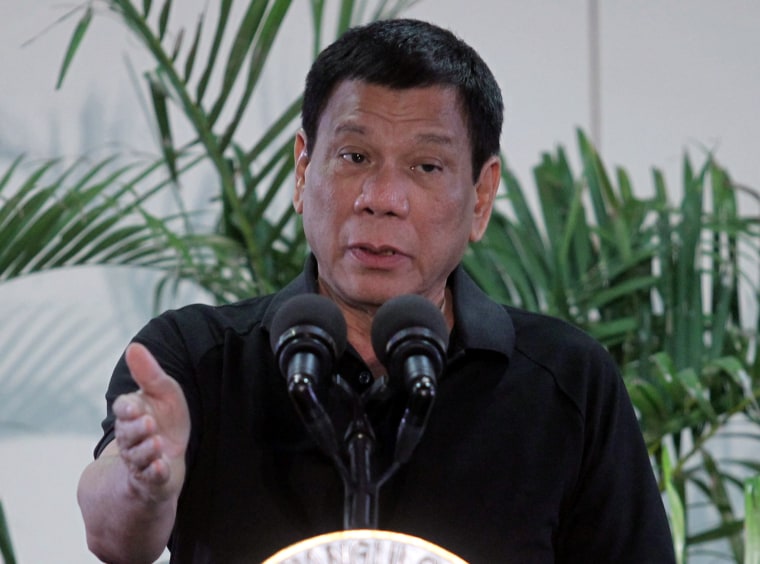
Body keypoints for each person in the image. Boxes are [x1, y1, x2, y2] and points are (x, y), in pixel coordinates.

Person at [77, 18, 676, 563]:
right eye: (355, 155)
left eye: (425, 167)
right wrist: (143, 481)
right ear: (303, 169)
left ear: (482, 197)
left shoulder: (566, 381)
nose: (381, 197)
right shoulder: (198, 357)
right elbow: (111, 536)